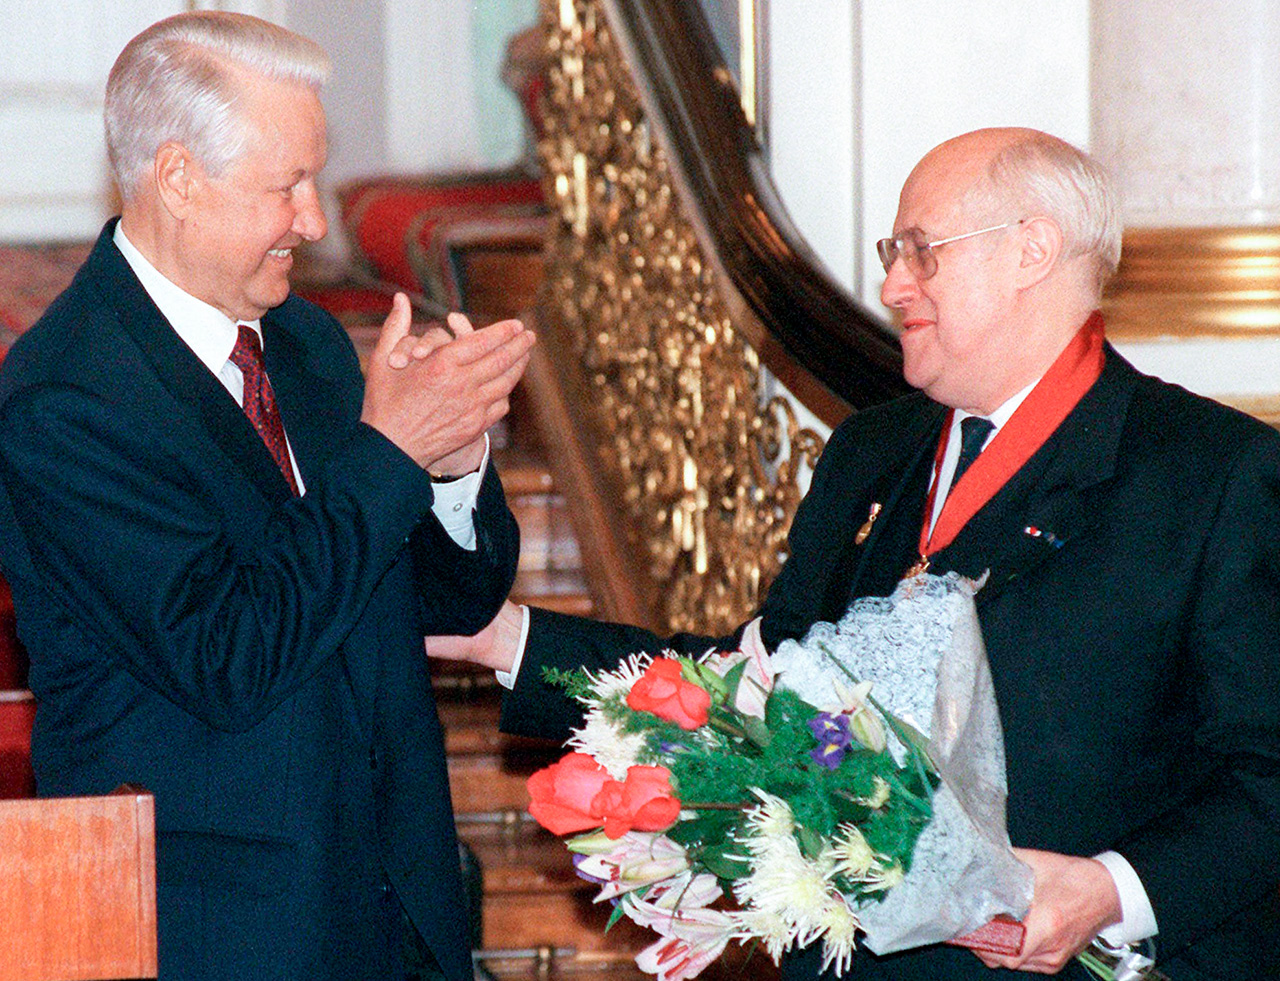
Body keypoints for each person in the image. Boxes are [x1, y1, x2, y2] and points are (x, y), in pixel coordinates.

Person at [433, 128, 1280, 979]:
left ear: (1032, 250)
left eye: (921, 252)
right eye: (892, 252)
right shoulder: (871, 451)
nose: (890, 285)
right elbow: (752, 692)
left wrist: (1108, 890)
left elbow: (1268, 774)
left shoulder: (1213, 473)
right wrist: (510, 641)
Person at [0, 12, 536, 981]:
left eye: (316, 178)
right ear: (176, 179)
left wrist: (452, 467)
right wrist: (390, 449)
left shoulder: (307, 345)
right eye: (286, 185)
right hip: (223, 931)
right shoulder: (65, 400)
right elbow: (229, 654)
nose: (317, 222)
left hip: (398, 902)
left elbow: (445, 603)